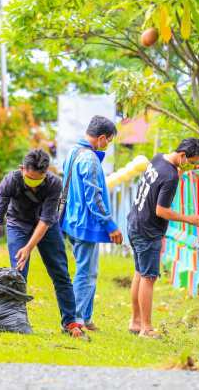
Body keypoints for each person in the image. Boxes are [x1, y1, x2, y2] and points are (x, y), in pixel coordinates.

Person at [0, 149, 87, 339]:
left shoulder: (54, 183)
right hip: (18, 224)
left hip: (46, 227)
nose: (33, 183)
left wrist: (29, 247)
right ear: (22, 169)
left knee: (60, 273)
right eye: (29, 178)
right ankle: (14, 321)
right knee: (17, 275)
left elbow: (46, 219)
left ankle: (70, 322)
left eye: (37, 179)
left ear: (46, 173)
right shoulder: (11, 181)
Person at [126, 139, 199, 338]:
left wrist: (181, 172)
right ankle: (146, 328)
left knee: (139, 273)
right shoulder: (170, 176)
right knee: (149, 277)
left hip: (134, 221)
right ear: (183, 156)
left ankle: (135, 322)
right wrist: (188, 219)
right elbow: (161, 210)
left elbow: (158, 184)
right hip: (148, 230)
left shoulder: (159, 159)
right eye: (192, 162)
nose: (193, 166)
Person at [61, 116, 122, 331]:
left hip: (73, 220)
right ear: (102, 137)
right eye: (109, 141)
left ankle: (85, 318)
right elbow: (94, 197)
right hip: (86, 224)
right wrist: (110, 225)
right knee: (85, 273)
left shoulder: (73, 152)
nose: (108, 145)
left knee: (87, 271)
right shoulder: (89, 159)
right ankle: (75, 319)